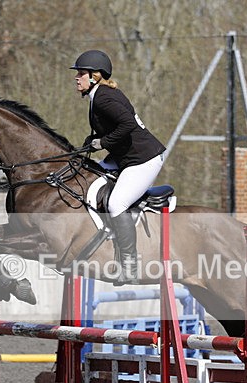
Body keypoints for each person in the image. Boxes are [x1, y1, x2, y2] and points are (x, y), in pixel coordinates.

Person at [70, 50, 166, 284]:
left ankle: (130, 265)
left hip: (143, 159)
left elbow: (127, 124)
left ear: (95, 76)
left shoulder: (103, 97)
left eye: (81, 74)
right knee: (91, 176)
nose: (77, 78)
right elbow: (110, 129)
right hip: (125, 155)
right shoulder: (99, 95)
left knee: (116, 203)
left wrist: (102, 143)